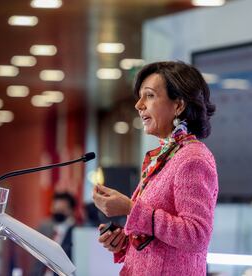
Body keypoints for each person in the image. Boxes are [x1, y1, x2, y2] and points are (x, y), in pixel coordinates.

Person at [93, 61, 218, 275]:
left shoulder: (192, 159)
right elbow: (158, 237)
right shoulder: (166, 156)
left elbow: (196, 235)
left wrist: (130, 209)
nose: (138, 105)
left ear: (178, 105)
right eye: (140, 96)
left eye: (149, 96)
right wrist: (124, 241)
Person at [30, 192, 76, 276]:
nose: (57, 212)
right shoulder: (44, 227)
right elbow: (36, 257)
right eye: (55, 209)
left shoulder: (76, 232)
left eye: (62, 210)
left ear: (70, 210)